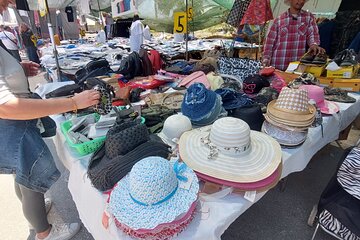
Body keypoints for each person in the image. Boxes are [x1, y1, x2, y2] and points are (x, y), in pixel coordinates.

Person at [0, 1, 100, 240]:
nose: (8, 5)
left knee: (21, 173)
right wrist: (74, 103)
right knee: (31, 175)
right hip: (13, 123)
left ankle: (36, 216)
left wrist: (17, 69)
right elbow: (5, 106)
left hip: (16, 124)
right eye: (4, 2)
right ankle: (44, 232)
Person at [262, 0, 324, 71]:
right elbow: (269, 42)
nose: (300, 1)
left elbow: (313, 34)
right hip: (278, 64)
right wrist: (266, 59)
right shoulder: (279, 20)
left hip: (297, 66)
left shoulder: (309, 17)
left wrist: (314, 44)